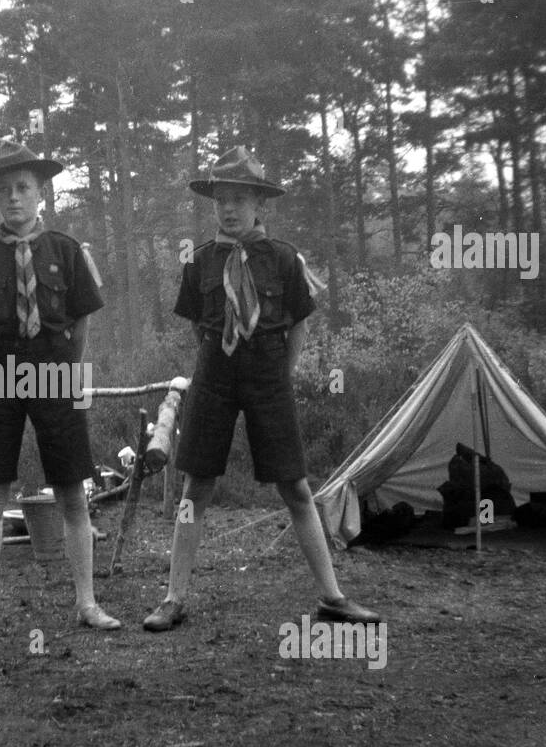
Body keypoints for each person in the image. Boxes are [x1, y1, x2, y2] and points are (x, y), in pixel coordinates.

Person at [143, 147, 380, 631]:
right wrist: (220, 359)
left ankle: (332, 598)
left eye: (239, 199)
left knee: (294, 485)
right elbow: (197, 328)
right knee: (196, 483)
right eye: (221, 200)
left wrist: (276, 376)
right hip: (214, 372)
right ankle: (173, 598)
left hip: (270, 374)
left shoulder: (286, 259)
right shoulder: (200, 261)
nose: (229, 209)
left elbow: (298, 328)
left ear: (260, 205)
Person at [0, 140, 121, 634]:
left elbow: (82, 321)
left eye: (23, 188)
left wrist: (63, 365)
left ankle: (87, 603)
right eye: (4, 191)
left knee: (71, 487)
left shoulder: (65, 250)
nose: (15, 199)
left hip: (57, 368)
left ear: (41, 191)